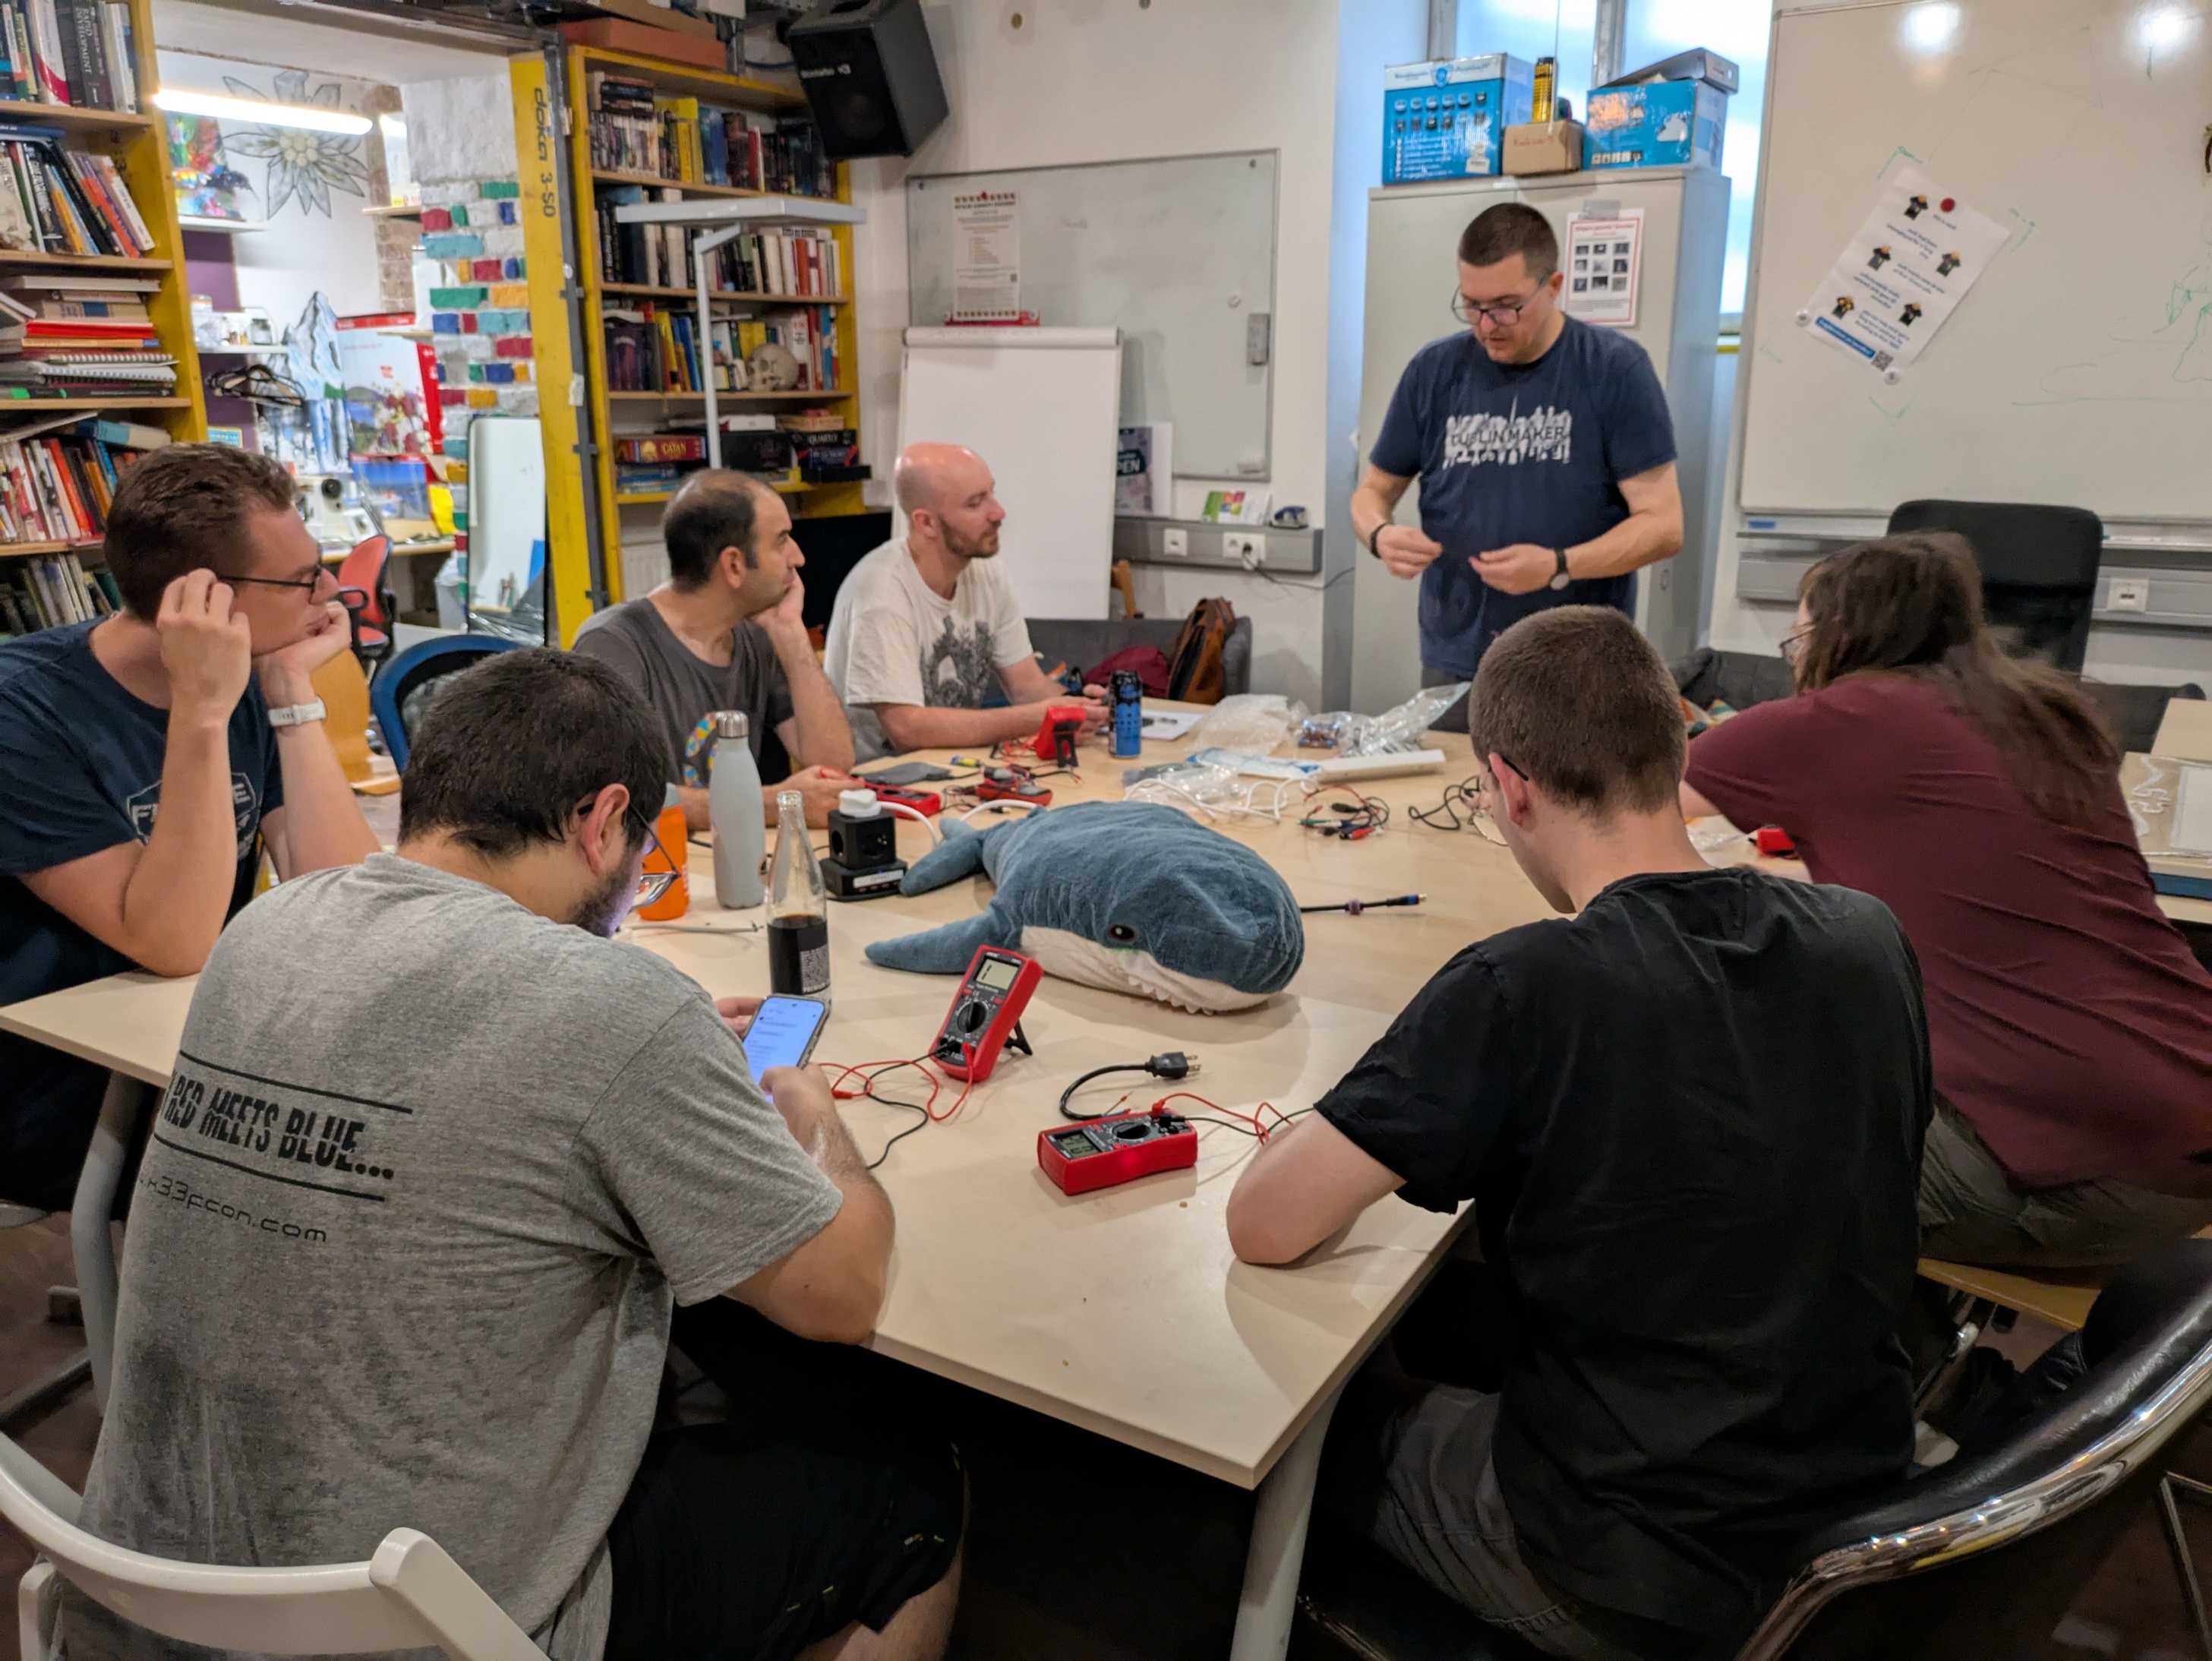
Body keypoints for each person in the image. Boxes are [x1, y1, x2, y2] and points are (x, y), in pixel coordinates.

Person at [67, 649, 963, 1661]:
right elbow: (840, 1294)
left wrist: (644, 1060)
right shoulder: (612, 1005)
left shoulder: (266, 926)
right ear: (602, 819)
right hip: (419, 1632)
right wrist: (812, 1111)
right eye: (639, 861)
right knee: (909, 1483)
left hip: (152, 1600)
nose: (628, 893)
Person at [1226, 606, 1929, 1659]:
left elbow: (1265, 1223)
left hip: (1629, 1571)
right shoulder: (1868, 937)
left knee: (1307, 1422)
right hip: (1853, 1523)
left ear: (1508, 787)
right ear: (1677, 746)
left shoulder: (1523, 986)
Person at [1682, 533, 2212, 1268]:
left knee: (1702, 1139)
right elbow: (1971, 875)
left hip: (2085, 1176)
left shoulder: (1831, 721)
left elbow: (1624, 803)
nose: (1795, 663)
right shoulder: (2044, 716)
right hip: (2186, 1107)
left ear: (1839, 635)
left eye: (1798, 640)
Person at [0, 444, 380, 1214]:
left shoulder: (255, 672)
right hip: (61, 1093)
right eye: (304, 578)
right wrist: (202, 712)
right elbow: (173, 942)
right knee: (378, 1163)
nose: (330, 593)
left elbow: (348, 900)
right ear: (200, 598)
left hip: (199, 1045)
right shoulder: (22, 712)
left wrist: (289, 691)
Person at [1352, 203, 1684, 729]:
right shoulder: (1433, 372)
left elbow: (1663, 527)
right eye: (1472, 306)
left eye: (1507, 307)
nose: (1487, 326)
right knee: (1459, 783)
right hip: (1457, 660)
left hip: (1578, 664)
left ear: (1553, 287)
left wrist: (1559, 564)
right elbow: (1372, 491)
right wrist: (1379, 535)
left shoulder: (1613, 369)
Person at [574, 470, 857, 830]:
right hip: (663, 864)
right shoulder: (614, 645)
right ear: (734, 565)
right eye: (782, 541)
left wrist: (791, 634)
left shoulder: (759, 634)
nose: (798, 557)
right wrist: (771, 804)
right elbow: (614, 800)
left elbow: (832, 767)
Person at [823, 441, 1106, 756]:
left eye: (992, 493)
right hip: (881, 778)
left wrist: (1080, 706)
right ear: (926, 522)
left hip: (957, 765)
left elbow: (1027, 687)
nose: (998, 513)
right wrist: (1035, 718)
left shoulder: (989, 575)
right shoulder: (880, 594)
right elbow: (907, 729)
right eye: (975, 504)